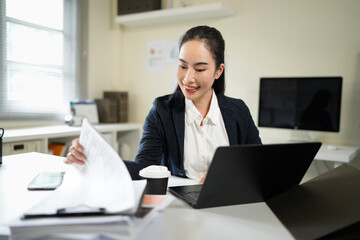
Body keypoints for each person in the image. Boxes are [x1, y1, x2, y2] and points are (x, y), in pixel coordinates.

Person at [65, 25, 262, 183]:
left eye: (200, 69)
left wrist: (227, 175)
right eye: (182, 66)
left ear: (218, 71)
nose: (188, 78)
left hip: (230, 201)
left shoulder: (238, 111)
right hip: (181, 206)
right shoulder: (162, 111)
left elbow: (258, 162)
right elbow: (144, 167)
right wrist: (93, 159)